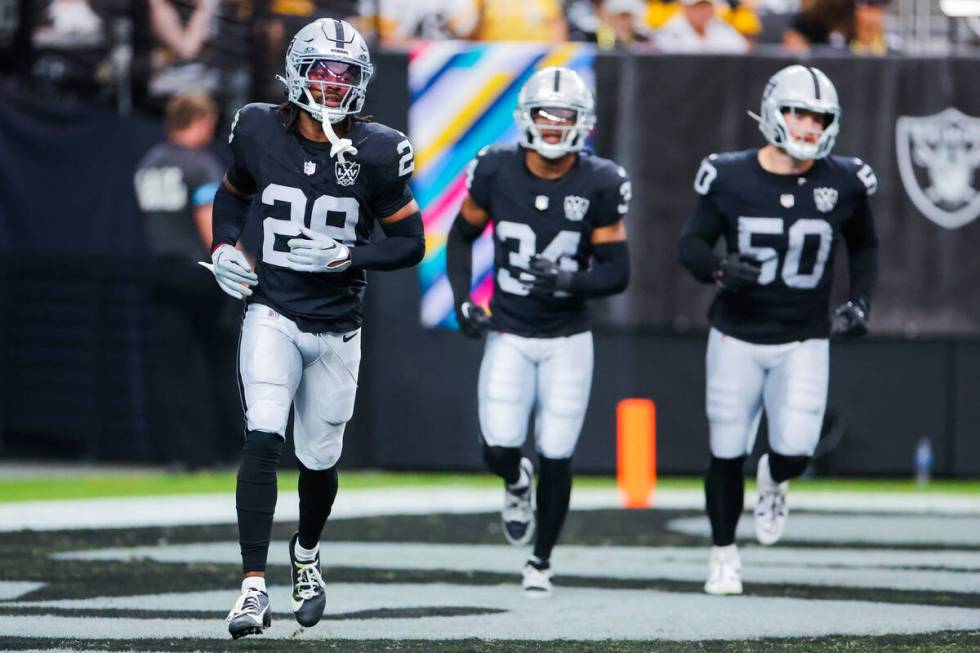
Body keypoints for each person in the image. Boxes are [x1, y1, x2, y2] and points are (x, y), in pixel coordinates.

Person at [202, 17, 425, 638]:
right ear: (296, 71)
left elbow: (411, 242)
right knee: (263, 435)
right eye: (322, 71)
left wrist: (350, 255)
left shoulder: (379, 149)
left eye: (345, 74)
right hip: (271, 308)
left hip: (336, 326)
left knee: (320, 456)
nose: (331, 84)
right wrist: (225, 247)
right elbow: (232, 194)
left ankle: (305, 555)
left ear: (361, 82)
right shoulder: (255, 127)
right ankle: (251, 587)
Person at [677, 65, 879, 595]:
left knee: (796, 447)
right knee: (725, 449)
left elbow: (864, 245)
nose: (810, 127)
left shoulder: (845, 180)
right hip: (736, 336)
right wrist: (720, 269)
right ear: (772, 113)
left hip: (804, 336)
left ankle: (775, 478)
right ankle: (723, 554)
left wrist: (859, 300)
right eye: (799, 113)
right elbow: (690, 247)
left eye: (820, 118)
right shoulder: (728, 174)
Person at [446, 66, 631, 597]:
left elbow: (618, 273)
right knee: (498, 446)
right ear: (526, 118)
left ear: (582, 122)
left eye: (564, 115)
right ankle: (514, 480)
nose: (553, 125)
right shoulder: (495, 169)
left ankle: (541, 561)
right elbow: (461, 239)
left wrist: (571, 278)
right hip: (509, 330)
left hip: (568, 338)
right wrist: (463, 300)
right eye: (545, 115)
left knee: (557, 451)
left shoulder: (599, 180)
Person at [134, 91, 240, 469]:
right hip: (198, 273)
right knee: (219, 361)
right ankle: (229, 449)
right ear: (199, 120)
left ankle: (183, 453)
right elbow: (209, 223)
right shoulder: (198, 164)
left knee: (174, 367)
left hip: (161, 271)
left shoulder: (149, 163)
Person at [654, 0, 749, 53]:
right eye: (697, 7)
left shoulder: (722, 28)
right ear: (686, 8)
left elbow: (742, 50)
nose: (702, 12)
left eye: (706, 6)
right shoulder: (669, 31)